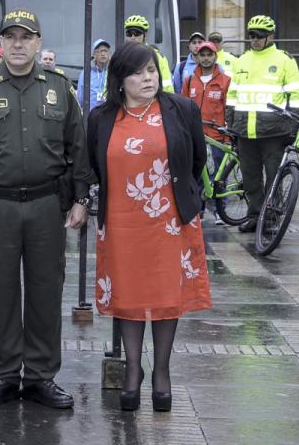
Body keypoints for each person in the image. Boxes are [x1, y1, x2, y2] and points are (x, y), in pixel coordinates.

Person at [0, 9, 89, 410]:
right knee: (1, 292)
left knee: (46, 291)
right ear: (1, 43)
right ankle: (5, 375)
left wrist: (81, 199)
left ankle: (41, 377)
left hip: (47, 205)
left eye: (26, 37)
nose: (18, 44)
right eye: (10, 37)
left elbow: (79, 148)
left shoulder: (61, 89)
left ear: (39, 43)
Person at [86, 41, 212, 412]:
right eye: (138, 72)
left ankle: (161, 372)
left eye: (152, 70)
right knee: (127, 293)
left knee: (165, 293)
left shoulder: (181, 110)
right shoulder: (101, 117)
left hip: (169, 220)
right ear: (120, 80)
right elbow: (92, 164)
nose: (147, 78)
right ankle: (131, 371)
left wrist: (185, 198)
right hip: (123, 221)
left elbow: (197, 159)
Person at [226, 15, 299, 232]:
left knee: (273, 178)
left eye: (260, 36)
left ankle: (270, 220)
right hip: (245, 131)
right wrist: (231, 125)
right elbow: (232, 95)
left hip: (274, 133)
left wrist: (292, 129)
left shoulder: (284, 60)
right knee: (250, 179)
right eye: (252, 35)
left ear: (271, 36)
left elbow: (296, 96)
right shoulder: (241, 60)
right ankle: (254, 217)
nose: (255, 40)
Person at [181, 41, 231, 166]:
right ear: (197, 57)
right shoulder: (189, 81)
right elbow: (182, 111)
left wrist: (228, 138)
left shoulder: (226, 81)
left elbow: (229, 112)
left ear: (216, 56)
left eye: (209, 55)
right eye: (202, 55)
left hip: (217, 139)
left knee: (217, 181)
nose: (206, 58)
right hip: (195, 137)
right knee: (196, 177)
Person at [123, 15, 174, 92]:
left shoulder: (157, 56)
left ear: (145, 35)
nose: (133, 37)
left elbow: (167, 86)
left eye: (137, 33)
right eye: (129, 33)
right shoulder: (120, 57)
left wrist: (167, 103)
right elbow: (110, 86)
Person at [77, 38, 110, 110]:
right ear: (94, 55)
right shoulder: (86, 73)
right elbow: (80, 99)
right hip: (90, 115)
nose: (103, 54)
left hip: (108, 114)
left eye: (105, 51)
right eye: (100, 51)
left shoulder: (112, 72)